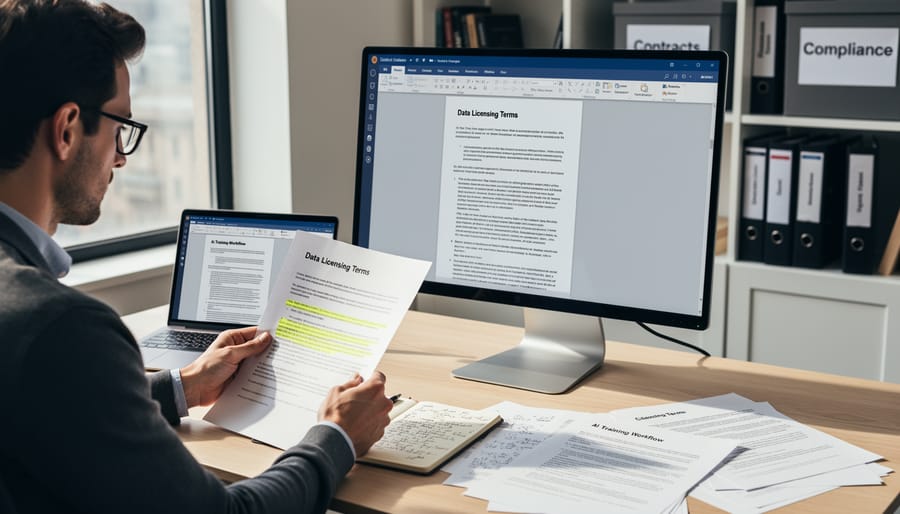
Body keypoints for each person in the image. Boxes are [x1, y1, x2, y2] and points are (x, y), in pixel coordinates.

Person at [0, 1, 394, 512]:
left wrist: (183, 386)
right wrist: (336, 437)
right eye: (120, 126)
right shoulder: (60, 326)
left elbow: (50, 406)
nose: (120, 156)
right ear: (68, 129)